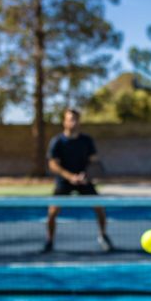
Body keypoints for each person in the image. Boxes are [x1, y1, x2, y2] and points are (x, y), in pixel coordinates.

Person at [44, 107, 113, 253]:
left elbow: (94, 161)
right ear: (64, 122)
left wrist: (85, 176)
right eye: (70, 119)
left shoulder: (86, 141)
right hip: (64, 182)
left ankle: (103, 236)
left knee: (100, 208)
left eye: (75, 119)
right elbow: (53, 165)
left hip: (84, 181)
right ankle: (49, 241)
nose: (73, 122)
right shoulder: (57, 142)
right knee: (52, 212)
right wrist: (70, 177)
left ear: (79, 122)